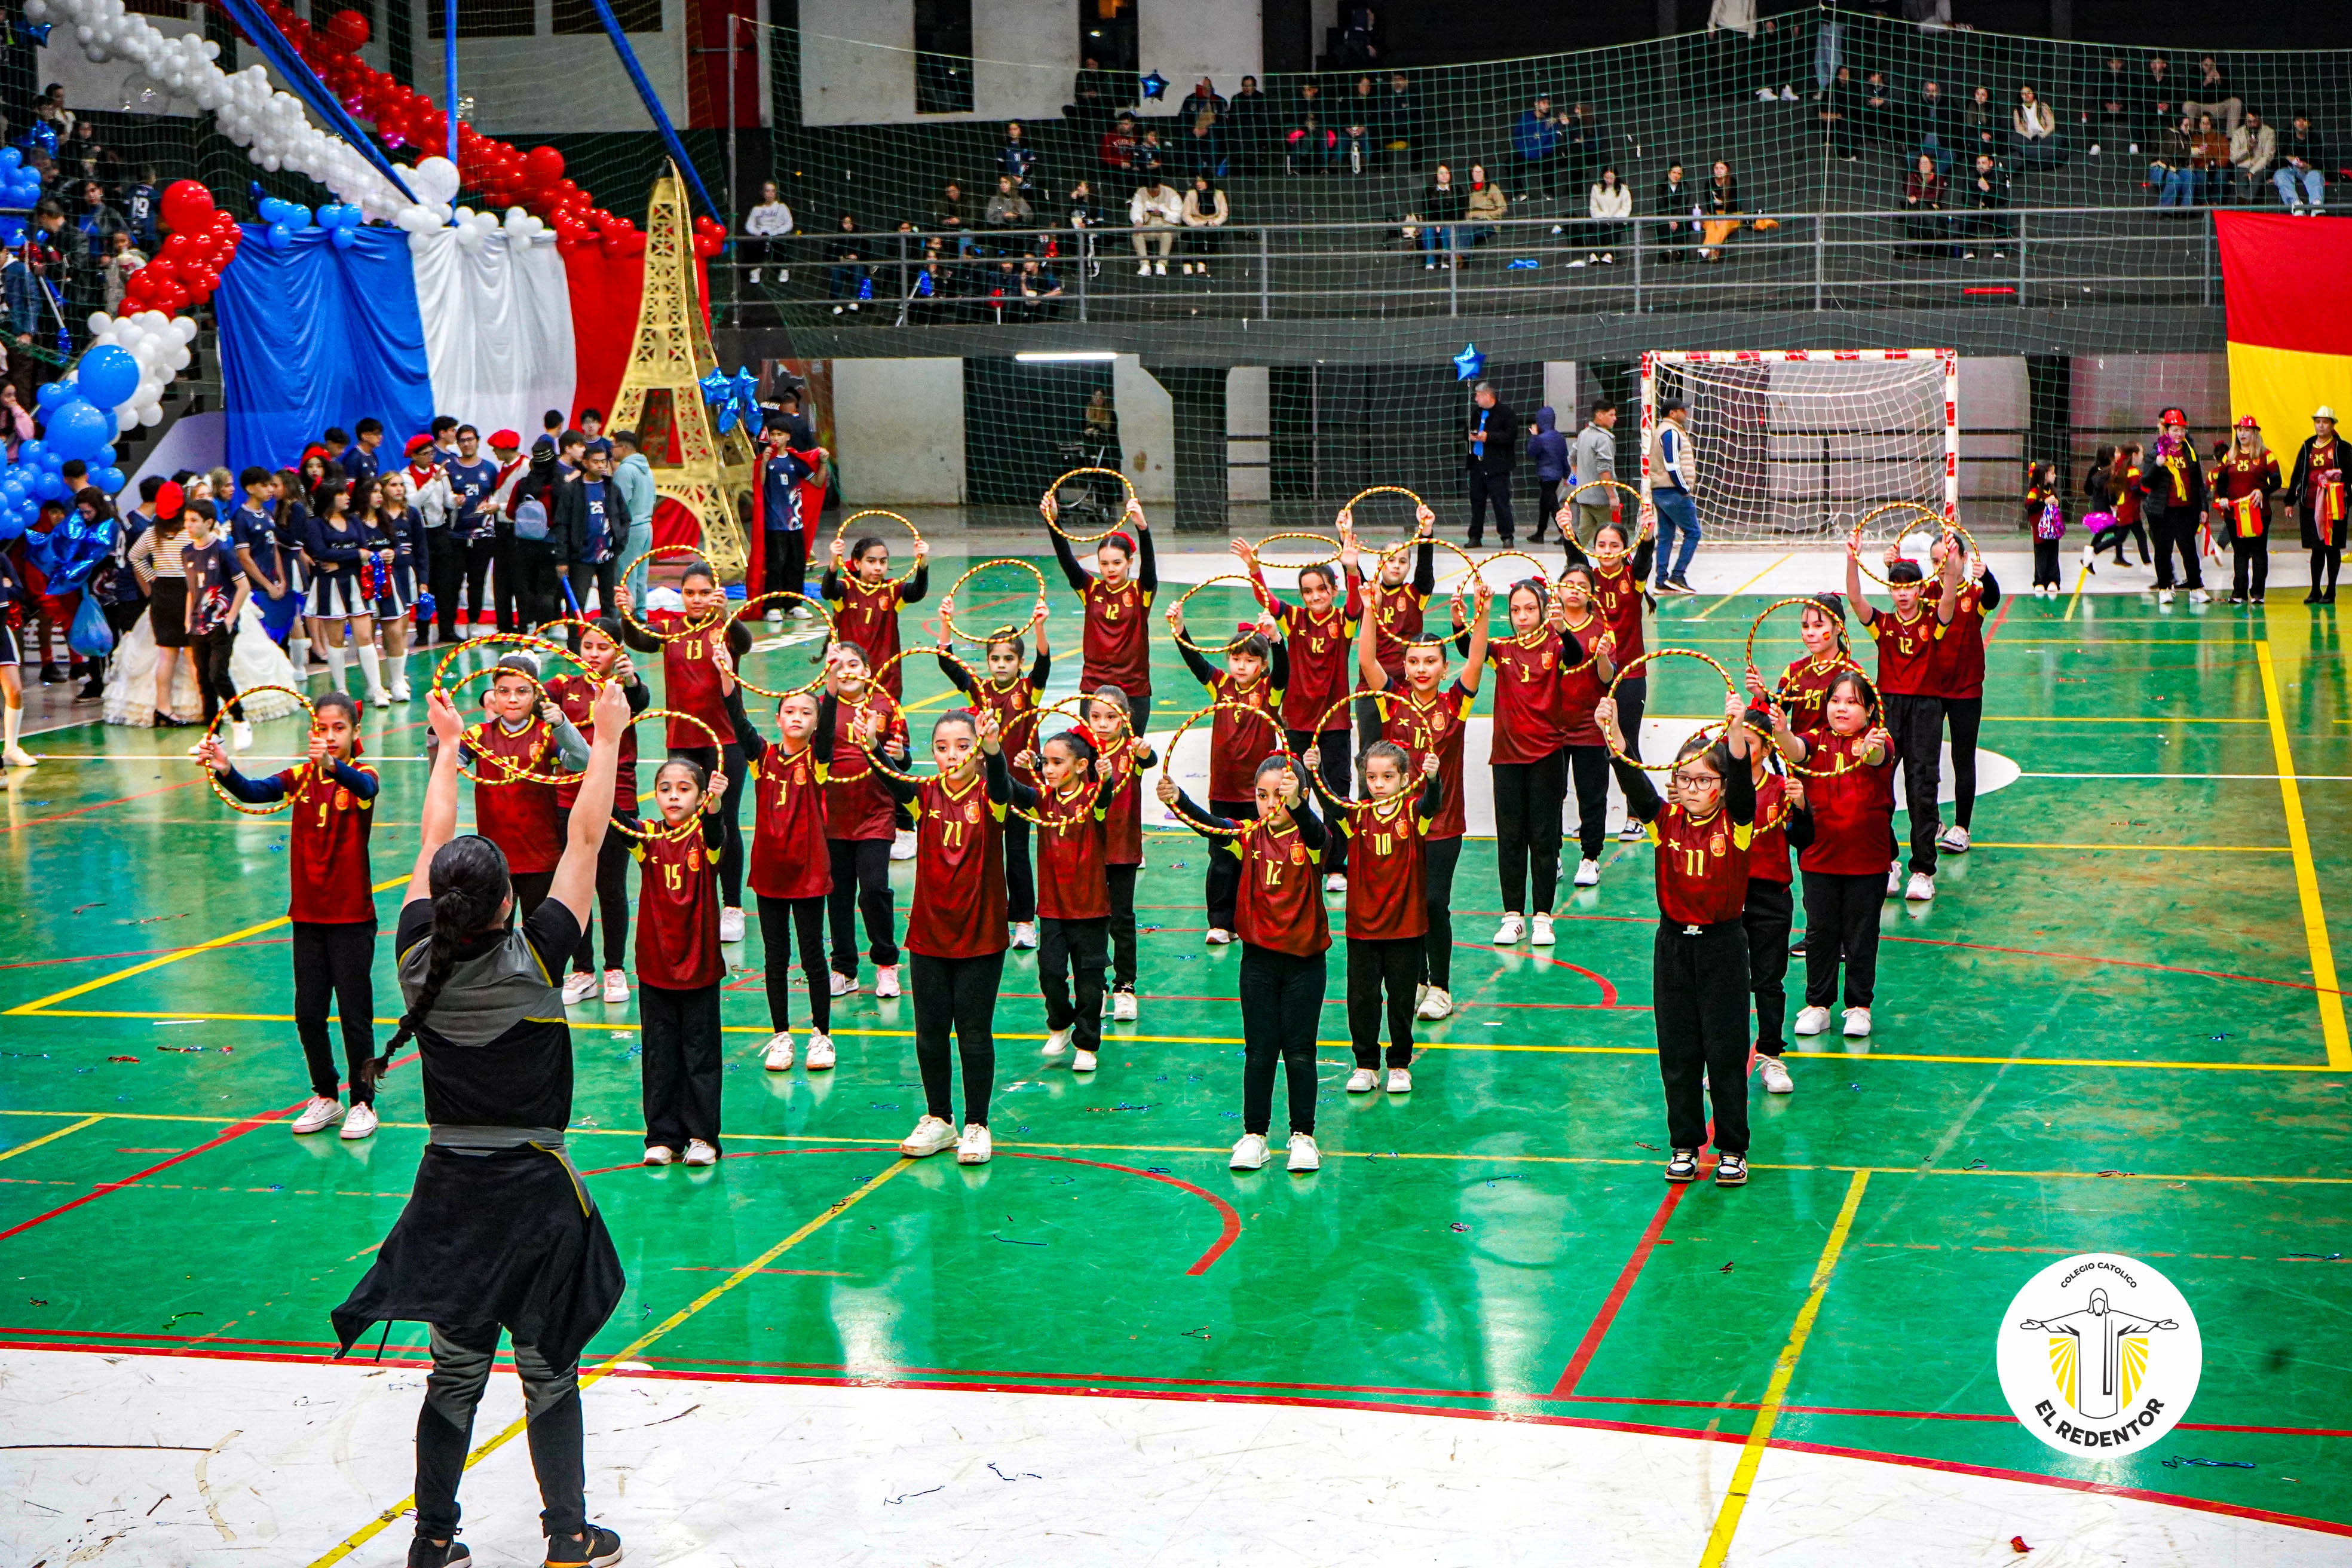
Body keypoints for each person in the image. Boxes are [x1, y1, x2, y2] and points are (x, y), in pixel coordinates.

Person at [329, 680, 632, 1568]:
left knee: (454, 1377)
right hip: (537, 1199)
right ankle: (568, 1538)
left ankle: (432, 1541)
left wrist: (449, 749)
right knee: (549, 1374)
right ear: (507, 901)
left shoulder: (414, 953)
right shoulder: (538, 958)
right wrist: (607, 741)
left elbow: (430, 841)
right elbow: (585, 836)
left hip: (452, 1194)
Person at [1597, 687, 1760, 1187]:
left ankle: (1732, 1147)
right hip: (1673, 947)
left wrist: (1734, 732)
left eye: (1704, 780)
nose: (1692, 788)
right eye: (1683, 779)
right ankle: (1684, 1143)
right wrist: (1614, 735)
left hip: (1722, 946)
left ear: (1721, 784)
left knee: (1726, 1049)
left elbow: (1745, 789)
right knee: (1679, 1049)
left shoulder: (1737, 824)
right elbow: (1633, 784)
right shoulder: (1663, 823)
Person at [195, 687, 378, 1130]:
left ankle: (363, 1102)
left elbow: (364, 786)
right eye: (323, 729)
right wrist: (225, 770)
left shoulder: (362, 775)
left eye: (340, 729)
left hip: (352, 917)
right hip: (308, 917)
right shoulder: (299, 778)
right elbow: (256, 791)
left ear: (356, 732)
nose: (330, 736)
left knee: (355, 1015)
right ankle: (326, 1094)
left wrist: (333, 767)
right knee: (309, 1013)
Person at [861, 706, 1017, 1165]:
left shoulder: (992, 795)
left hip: (980, 932)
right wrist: (871, 743)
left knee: (973, 1032)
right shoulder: (922, 795)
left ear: (978, 749)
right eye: (942, 748)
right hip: (929, 933)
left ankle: (977, 1124)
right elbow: (888, 777)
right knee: (929, 1032)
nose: (953, 756)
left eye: (964, 746)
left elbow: (1006, 785)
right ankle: (939, 1119)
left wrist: (995, 752)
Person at [1160, 757, 1330, 1174]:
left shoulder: (1311, 838)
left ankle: (1303, 1136)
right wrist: (1177, 798)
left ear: (1299, 795)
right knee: (1259, 1053)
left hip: (1305, 963)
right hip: (1258, 961)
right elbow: (1210, 824)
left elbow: (1315, 831)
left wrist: (1301, 805)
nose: (1271, 804)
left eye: (1281, 795)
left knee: (1300, 1053)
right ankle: (1255, 1135)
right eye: (1262, 795)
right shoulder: (1248, 837)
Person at [1358, 576, 1483, 1019]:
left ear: (1444, 668)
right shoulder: (1391, 701)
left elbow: (1478, 663)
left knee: (1434, 902)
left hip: (1445, 824)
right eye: (1414, 661)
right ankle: (1418, 981)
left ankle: (1442, 988)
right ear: (1405, 667)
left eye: (1431, 661)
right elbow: (1367, 657)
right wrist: (1370, 607)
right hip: (1400, 823)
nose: (1422, 668)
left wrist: (1481, 616)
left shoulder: (1456, 704)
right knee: (1409, 906)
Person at [612, 566, 754, 938]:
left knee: (724, 820)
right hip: (682, 740)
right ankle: (697, 895)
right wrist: (628, 613)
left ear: (716, 593)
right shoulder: (671, 630)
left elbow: (746, 643)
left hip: (725, 740)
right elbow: (640, 641)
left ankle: (733, 906)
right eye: (689, 593)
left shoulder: (724, 629)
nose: (696, 599)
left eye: (704, 592)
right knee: (685, 824)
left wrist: (725, 615)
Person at [1765, 670, 1895, 1042]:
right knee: (1820, 933)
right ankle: (1818, 1005)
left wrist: (1867, 747)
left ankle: (1859, 1006)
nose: (1842, 708)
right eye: (1836, 701)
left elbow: (1876, 758)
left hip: (1867, 859)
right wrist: (1780, 729)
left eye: (1852, 702)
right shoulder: (1815, 741)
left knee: (1861, 933)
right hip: (1820, 857)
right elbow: (1792, 748)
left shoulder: (1880, 740)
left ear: (1869, 711)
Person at [1312, 737, 1442, 1094]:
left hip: (1405, 926)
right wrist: (1315, 770)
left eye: (1387, 777)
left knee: (1401, 999)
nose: (1379, 785)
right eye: (1372, 778)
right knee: (1362, 999)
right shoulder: (1357, 816)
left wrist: (1433, 779)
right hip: (1363, 928)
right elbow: (1329, 805)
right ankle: (1366, 1064)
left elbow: (1434, 803)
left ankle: (1399, 1064)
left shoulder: (1415, 814)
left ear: (1404, 778)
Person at [1239, 534, 1361, 890]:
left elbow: (1357, 606)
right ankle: (1299, 852)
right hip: (1297, 722)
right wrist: (1253, 567)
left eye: (1321, 589)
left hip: (1334, 723)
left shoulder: (1343, 622)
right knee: (1295, 791)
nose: (1314, 597)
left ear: (1333, 590)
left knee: (1335, 795)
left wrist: (1352, 570)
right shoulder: (1293, 619)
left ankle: (1336, 865)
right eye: (1307, 591)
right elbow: (1267, 600)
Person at [730, 680, 837, 1071]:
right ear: (778, 719)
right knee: (775, 959)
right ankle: (781, 1037)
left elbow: (828, 733)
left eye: (806, 712)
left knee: (813, 957)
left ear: (816, 722)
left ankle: (822, 1036)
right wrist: (727, 676)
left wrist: (834, 686)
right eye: (790, 711)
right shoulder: (762, 758)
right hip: (770, 872)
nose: (797, 717)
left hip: (808, 872)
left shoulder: (818, 761)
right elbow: (737, 722)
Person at [629, 754, 730, 1166]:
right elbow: (615, 815)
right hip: (656, 964)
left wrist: (717, 805)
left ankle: (703, 1136)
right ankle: (662, 1136)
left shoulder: (705, 840)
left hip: (699, 965)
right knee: (659, 1054)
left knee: (700, 1054)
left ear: (701, 795)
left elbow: (716, 830)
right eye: (665, 789)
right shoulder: (646, 837)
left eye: (684, 789)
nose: (673, 797)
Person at [1845, 539, 1960, 901]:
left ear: (1920, 587)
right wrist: (1853, 560)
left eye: (1909, 585)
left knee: (1922, 788)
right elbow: (1855, 599)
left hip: (1926, 708)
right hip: (1889, 708)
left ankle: (1923, 870)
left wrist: (1953, 562)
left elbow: (1950, 598)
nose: (1903, 593)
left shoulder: (1932, 620)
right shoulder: (1883, 624)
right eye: (1896, 586)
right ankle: (1888, 861)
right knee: (1878, 787)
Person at [933, 598, 1051, 948]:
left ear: (1020, 662)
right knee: (982, 854)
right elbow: (946, 661)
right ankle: (984, 915)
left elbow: (1044, 664)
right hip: (982, 789)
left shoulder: (1029, 690)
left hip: (1019, 787)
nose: (1001, 665)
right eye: (995, 659)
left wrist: (1040, 625)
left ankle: (1025, 922)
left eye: (1009, 659)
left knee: (1016, 853)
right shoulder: (980, 690)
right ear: (987, 662)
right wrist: (945, 621)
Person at [543, 619, 649, 1008]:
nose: (593, 653)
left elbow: (641, 701)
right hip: (571, 799)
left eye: (602, 647)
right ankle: (583, 969)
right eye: (587, 645)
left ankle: (614, 968)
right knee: (577, 886)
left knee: (611, 886)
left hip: (617, 798)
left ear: (617, 651)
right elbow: (528, 692)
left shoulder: (623, 690)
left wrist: (632, 680)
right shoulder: (561, 686)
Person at [1167, 601, 1287, 940]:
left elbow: (1284, 674)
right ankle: (1221, 922)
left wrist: (1277, 641)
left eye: (1250, 660)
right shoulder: (1220, 686)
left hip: (1258, 794)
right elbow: (1196, 663)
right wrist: (1180, 630)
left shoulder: (1269, 694)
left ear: (1262, 665)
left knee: (1259, 855)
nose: (1242, 666)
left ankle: (1257, 917)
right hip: (1222, 790)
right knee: (1221, 857)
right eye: (1236, 659)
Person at [1478, 575, 1583, 947]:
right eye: (1516, 610)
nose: (1522, 617)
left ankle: (1542, 917)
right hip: (1506, 756)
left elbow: (1577, 656)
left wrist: (1562, 629)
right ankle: (1512, 916)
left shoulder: (1555, 645)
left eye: (1530, 609)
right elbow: (1465, 648)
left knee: (1543, 837)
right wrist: (1466, 621)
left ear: (1542, 611)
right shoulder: (1502, 648)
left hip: (1547, 755)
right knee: (1509, 837)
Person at [458, 655, 592, 918]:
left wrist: (563, 725)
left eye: (522, 691)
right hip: (495, 858)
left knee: (539, 934)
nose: (512, 699)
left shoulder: (545, 733)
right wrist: (443, 731)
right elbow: (445, 766)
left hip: (540, 856)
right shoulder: (479, 735)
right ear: (493, 695)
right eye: (504, 691)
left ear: (535, 695)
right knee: (494, 934)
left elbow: (584, 761)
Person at [1024, 725, 1116, 1073]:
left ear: (1080, 766)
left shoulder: (1093, 799)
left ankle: (1087, 1044)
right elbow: (1007, 790)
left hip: (1090, 907)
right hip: (1052, 908)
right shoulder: (1041, 799)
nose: (1048, 769)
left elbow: (1105, 799)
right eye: (1044, 762)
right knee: (1050, 972)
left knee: (1090, 980)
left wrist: (1106, 781)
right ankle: (1059, 1024)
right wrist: (995, 755)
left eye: (1056, 762)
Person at [821, 643, 906, 998]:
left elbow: (904, 767)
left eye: (853, 663)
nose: (846, 670)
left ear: (868, 672)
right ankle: (844, 967)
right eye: (837, 664)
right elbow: (818, 753)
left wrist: (900, 756)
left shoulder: (886, 707)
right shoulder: (822, 709)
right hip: (833, 817)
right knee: (838, 895)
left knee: (873, 889)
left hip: (875, 814)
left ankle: (886, 964)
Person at [1046, 497, 1156, 724]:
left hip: (1133, 688)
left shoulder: (1140, 592)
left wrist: (1142, 528)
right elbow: (1067, 561)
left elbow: (1149, 571)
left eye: (1117, 563)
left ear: (1129, 562)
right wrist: (1053, 521)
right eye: (1104, 564)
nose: (1110, 569)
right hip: (1094, 686)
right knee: (1092, 753)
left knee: (1130, 755)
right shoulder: (1090, 589)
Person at [1924, 531, 1998, 855]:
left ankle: (1962, 828)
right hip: (1930, 687)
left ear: (1964, 559)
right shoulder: (1926, 592)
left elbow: (1994, 599)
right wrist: (1889, 566)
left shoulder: (1976, 594)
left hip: (1966, 689)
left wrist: (1990, 576)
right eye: (1936, 561)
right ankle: (1932, 821)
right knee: (1924, 757)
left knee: (1962, 757)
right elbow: (1899, 591)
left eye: (1948, 559)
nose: (1942, 566)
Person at [1742, 737, 1808, 1095]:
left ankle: (1770, 1056)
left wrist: (1800, 807)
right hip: (1727, 895)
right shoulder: (1718, 787)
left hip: (1771, 898)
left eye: (1747, 741)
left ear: (1767, 750)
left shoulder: (1782, 789)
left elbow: (1804, 838)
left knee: (1768, 981)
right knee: (1726, 985)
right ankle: (1729, 1059)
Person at [1085, 685, 1155, 1020]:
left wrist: (1144, 751)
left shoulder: (1132, 751)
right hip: (1089, 849)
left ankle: (1125, 987)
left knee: (1122, 919)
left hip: (1124, 849)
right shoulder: (1081, 751)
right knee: (1092, 921)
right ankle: (1095, 985)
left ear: (1125, 719)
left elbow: (1150, 760)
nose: (1102, 723)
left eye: (1111, 717)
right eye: (1096, 716)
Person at [1585, 517, 1655, 842]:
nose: (1608, 550)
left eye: (1615, 544)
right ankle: (1592, 820)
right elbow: (1572, 561)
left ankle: (1636, 813)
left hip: (1630, 674)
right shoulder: (1585, 580)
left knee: (1627, 743)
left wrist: (1648, 537)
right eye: (1602, 544)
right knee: (1588, 746)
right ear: (1593, 548)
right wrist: (1565, 528)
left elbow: (1643, 561)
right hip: (1596, 674)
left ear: (1624, 547)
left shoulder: (1633, 578)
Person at [1552, 564, 1620, 889]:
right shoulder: (1546, 627)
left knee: (1592, 796)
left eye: (1582, 584)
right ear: (1558, 590)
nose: (1575, 589)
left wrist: (1604, 656)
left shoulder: (1601, 630)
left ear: (1591, 592)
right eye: (1569, 583)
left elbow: (1607, 679)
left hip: (1589, 728)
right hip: (1551, 727)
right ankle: (1551, 854)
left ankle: (1590, 857)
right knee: (1550, 794)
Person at [302, 480, 381, 705]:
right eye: (341, 493)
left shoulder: (354, 520)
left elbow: (365, 551)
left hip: (356, 583)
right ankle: (341, 690)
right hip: (329, 585)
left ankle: (376, 689)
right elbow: (320, 553)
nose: (347, 497)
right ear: (329, 497)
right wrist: (355, 556)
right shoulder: (316, 524)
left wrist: (344, 561)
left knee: (365, 637)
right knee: (336, 640)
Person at [125, 480, 195, 726]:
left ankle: (163, 709)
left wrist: (152, 577)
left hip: (162, 593)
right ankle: (208, 708)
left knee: (167, 654)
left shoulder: (153, 532)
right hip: (187, 592)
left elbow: (134, 556)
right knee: (193, 653)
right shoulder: (189, 531)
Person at [177, 501, 250, 737]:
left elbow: (243, 585)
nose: (188, 525)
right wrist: (189, 620)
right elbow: (191, 590)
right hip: (197, 626)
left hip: (220, 624)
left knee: (218, 674)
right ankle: (213, 735)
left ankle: (239, 720)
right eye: (186, 520)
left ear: (209, 523)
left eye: (194, 520)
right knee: (203, 680)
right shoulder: (186, 553)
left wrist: (230, 618)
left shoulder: (222, 551)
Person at [2213, 415, 2282, 607]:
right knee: (2240, 552)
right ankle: (2239, 592)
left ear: (2255, 433)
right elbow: (2221, 481)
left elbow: (2276, 481)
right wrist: (2223, 497)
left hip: (2258, 513)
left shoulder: (2267, 455)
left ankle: (2258, 593)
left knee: (2259, 552)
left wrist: (2262, 491)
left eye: (2247, 430)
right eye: (2240, 429)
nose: (2242, 433)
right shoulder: (2230, 456)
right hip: (2235, 514)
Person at [2144, 406, 2210, 604]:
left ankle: (2196, 588)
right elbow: (2146, 482)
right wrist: (2157, 464)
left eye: (2182, 429)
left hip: (2186, 510)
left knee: (2189, 550)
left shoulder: (2190, 452)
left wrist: (2203, 508)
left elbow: (2198, 483)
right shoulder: (2154, 452)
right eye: (2175, 429)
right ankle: (2165, 588)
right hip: (2161, 511)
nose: (2179, 434)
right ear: (2166, 430)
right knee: (2163, 551)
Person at [2287, 406, 2344, 604]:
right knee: (2316, 548)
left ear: (2332, 425)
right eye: (2318, 422)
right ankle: (2315, 589)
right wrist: (2289, 501)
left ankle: (2331, 591)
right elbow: (2297, 473)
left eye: (2325, 422)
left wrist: (2344, 494)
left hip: (2334, 505)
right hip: (2311, 504)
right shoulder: (2307, 446)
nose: (2321, 426)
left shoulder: (2341, 447)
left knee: (2332, 547)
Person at [1651, 400, 1701, 592]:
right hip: (1672, 490)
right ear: (1672, 413)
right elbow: (1672, 463)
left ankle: (1661, 580)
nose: (1685, 414)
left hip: (1661, 490)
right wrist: (1683, 487)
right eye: (1682, 410)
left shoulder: (1664, 430)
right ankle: (1678, 575)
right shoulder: (1671, 432)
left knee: (1666, 536)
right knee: (1693, 532)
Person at [1465, 380, 1518, 547]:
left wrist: (1489, 437)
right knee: (1477, 503)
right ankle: (1475, 536)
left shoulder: (1506, 413)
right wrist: (1470, 436)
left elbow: (1511, 436)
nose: (1476, 399)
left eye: (1478, 396)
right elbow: (1467, 429)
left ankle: (1507, 535)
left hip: (1497, 466)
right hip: (1477, 465)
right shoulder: (1477, 413)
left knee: (1501, 502)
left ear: (1488, 395)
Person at [1527, 407, 1569, 545]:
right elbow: (1565, 458)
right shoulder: (1559, 437)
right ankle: (1540, 533)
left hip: (1545, 476)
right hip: (1556, 476)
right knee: (1545, 504)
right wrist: (1568, 476)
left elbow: (1531, 453)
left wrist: (1534, 436)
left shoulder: (1540, 439)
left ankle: (1564, 532)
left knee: (1552, 505)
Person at [741, 180, 794, 286]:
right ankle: (755, 269)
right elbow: (749, 225)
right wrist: (759, 233)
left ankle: (783, 269)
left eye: (773, 191)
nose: (770, 194)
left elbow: (789, 224)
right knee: (752, 246)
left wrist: (776, 232)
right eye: (768, 191)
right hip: (761, 236)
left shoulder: (782, 207)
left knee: (780, 245)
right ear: (763, 193)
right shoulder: (757, 209)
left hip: (777, 235)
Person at [1129, 174, 1183, 276]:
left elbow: (1178, 216)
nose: (1152, 194)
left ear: (1159, 187)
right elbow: (1136, 209)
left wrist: (1163, 213)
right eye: (1150, 192)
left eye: (1154, 191)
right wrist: (1138, 220)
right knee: (1136, 233)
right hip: (1150, 225)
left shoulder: (1171, 193)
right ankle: (1145, 265)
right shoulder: (1141, 192)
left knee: (1166, 232)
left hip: (1167, 224)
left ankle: (1162, 264)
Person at [2274, 115, 2328, 213]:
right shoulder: (2286, 136)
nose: (2301, 123)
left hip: (2307, 170)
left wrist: (2308, 166)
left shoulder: (2315, 139)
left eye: (2305, 121)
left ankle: (2316, 206)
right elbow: (2276, 157)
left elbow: (2320, 161)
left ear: (2310, 124)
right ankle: (2296, 206)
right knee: (2280, 175)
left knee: (2316, 175)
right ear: (2294, 123)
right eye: (2298, 121)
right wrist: (2288, 158)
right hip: (2289, 169)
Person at [2027, 462, 2066, 595]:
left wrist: (2056, 503)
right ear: (2044, 476)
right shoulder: (2034, 492)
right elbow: (2030, 508)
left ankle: (2053, 580)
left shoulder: (2052, 490)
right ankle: (2039, 581)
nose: (2054, 476)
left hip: (2053, 529)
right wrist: (2044, 503)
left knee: (2053, 554)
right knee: (2041, 555)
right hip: (2040, 531)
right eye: (2052, 473)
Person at [1418, 163, 1466, 269]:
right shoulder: (1428, 191)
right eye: (1441, 173)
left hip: (1451, 222)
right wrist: (1436, 224)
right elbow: (1426, 211)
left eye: (1447, 173)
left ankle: (1446, 260)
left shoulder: (1457, 190)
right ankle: (1430, 262)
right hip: (1433, 222)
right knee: (1427, 230)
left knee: (1446, 230)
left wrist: (1443, 223)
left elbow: (1459, 211)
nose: (1444, 176)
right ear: (1436, 176)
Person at [1180, 173, 1227, 276]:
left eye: (1201, 181)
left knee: (1215, 235)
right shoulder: (1191, 194)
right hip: (1196, 223)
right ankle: (1187, 263)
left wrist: (1215, 223)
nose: (1198, 184)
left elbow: (1224, 214)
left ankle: (1202, 262)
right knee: (1198, 235)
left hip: (1212, 223)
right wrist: (1195, 224)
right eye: (1197, 181)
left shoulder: (1219, 194)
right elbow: (1185, 214)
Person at [1513, 94, 1560, 195]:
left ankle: (1549, 194)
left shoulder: (1551, 121)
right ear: (1536, 104)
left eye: (1548, 103)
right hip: (1527, 154)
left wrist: (1541, 151)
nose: (1547, 105)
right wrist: (1526, 151)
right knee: (1510, 164)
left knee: (1549, 162)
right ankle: (1519, 194)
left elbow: (1553, 140)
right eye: (1544, 103)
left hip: (1542, 155)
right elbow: (1518, 136)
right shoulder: (1525, 118)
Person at [2010, 84, 2063, 170]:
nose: (2026, 96)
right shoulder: (2017, 111)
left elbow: (2051, 125)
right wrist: (2030, 137)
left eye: (2029, 93)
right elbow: (2019, 129)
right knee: (2013, 139)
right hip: (2028, 139)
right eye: (2023, 94)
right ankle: (2045, 154)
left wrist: (2042, 135)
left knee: (2057, 137)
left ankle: (2032, 155)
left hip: (2044, 137)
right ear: (2020, 96)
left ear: (2033, 93)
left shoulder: (2043, 106)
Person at [1585, 167, 1631, 265]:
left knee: (1615, 228)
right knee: (1599, 227)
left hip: (1617, 220)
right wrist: (1604, 217)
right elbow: (1594, 208)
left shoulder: (1623, 189)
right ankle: (1594, 254)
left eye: (1611, 177)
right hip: (1602, 219)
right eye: (1607, 177)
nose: (1609, 180)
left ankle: (1608, 254)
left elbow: (1626, 208)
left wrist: (1614, 218)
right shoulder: (1596, 188)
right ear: (1603, 177)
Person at [2230, 111, 2276, 204]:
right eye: (2249, 122)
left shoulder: (2269, 132)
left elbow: (2268, 157)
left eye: (2255, 121)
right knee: (2241, 176)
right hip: (2242, 166)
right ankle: (2245, 204)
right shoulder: (2238, 133)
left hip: (2261, 167)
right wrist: (2248, 149)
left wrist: (2252, 171)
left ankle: (2245, 204)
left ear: (2260, 120)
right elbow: (2233, 158)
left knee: (2256, 176)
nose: (2252, 125)